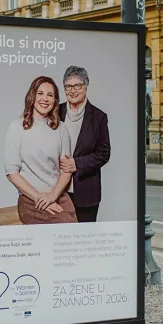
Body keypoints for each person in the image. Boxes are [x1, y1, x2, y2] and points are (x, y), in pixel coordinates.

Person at [4, 76, 76, 224]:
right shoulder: (17, 127)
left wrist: (52, 196)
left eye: (50, 95)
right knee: (63, 226)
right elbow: (12, 173)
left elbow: (66, 170)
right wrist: (40, 198)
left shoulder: (61, 128)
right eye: (40, 93)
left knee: (72, 228)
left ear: (55, 101)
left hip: (58, 194)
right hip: (30, 198)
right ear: (32, 96)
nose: (45, 99)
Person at [57, 66, 110, 224]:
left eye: (77, 85)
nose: (72, 90)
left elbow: (104, 153)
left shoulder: (99, 117)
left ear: (86, 86)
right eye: (68, 86)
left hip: (86, 192)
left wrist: (76, 164)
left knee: (83, 241)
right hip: (58, 191)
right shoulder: (55, 112)